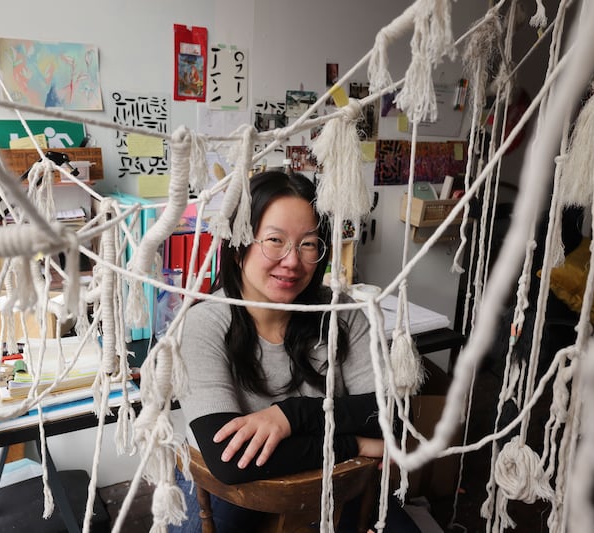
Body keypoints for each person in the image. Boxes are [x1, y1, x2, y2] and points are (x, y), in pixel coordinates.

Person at [170, 171, 419, 532]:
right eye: (275, 240)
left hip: (330, 481)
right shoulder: (203, 324)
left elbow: (392, 417)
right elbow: (228, 461)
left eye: (308, 244)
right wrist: (355, 442)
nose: (292, 261)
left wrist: (291, 416)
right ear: (240, 243)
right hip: (232, 491)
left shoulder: (343, 314)